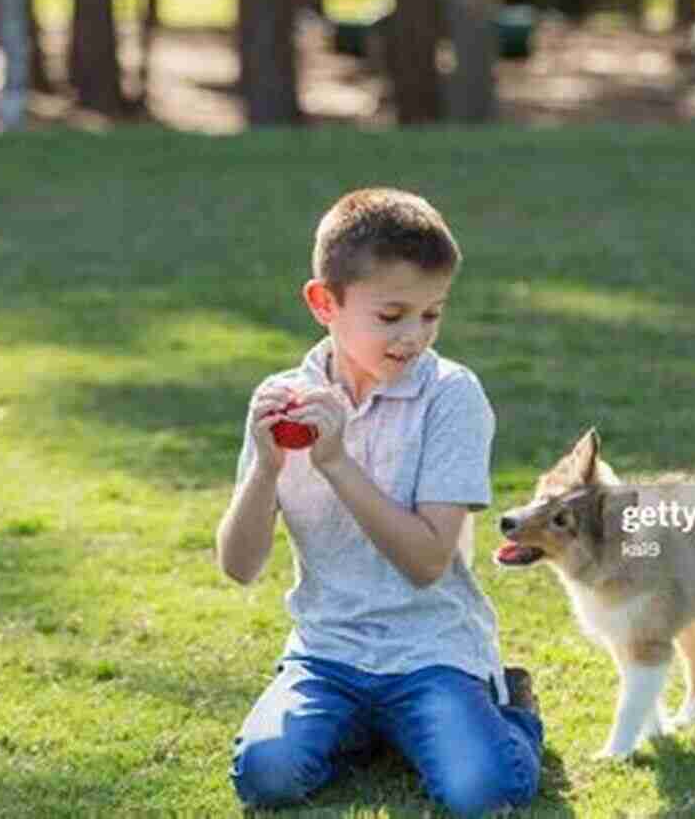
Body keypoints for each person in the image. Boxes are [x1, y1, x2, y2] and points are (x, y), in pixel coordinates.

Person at [215, 188, 543, 817]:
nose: (414, 336)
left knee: (482, 794)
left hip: (432, 650)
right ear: (324, 303)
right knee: (266, 778)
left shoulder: (452, 397)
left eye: (432, 315)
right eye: (392, 316)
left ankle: (513, 713)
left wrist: (336, 463)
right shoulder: (284, 398)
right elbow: (239, 566)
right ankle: (373, 728)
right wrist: (265, 468)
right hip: (327, 652)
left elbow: (425, 563)